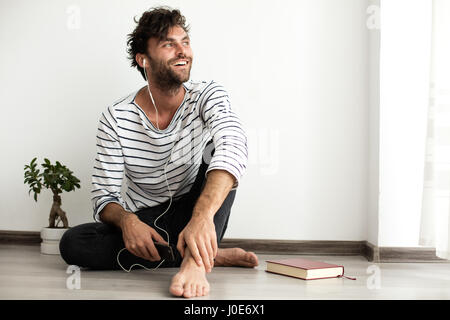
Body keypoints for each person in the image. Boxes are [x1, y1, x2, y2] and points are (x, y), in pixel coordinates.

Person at [59, 6, 258, 299]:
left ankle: (194, 260)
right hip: (149, 222)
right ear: (144, 60)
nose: (183, 51)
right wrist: (128, 222)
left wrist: (201, 218)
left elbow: (234, 142)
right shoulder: (116, 117)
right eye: (169, 44)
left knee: (218, 152)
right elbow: (104, 197)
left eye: (186, 41)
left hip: (199, 210)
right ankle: (207, 253)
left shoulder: (207, 94)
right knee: (74, 243)